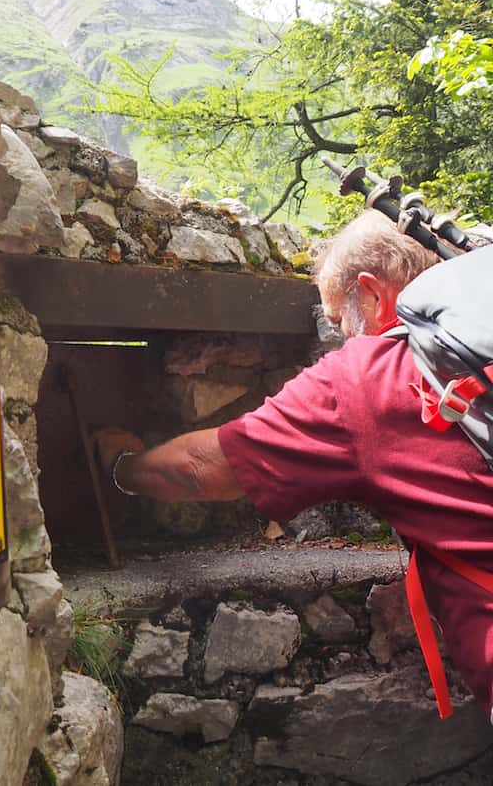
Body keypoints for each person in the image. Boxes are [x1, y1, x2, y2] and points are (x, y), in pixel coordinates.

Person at [95, 211, 493, 723]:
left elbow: (202, 468)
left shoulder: (362, 381)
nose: (345, 336)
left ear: (373, 294)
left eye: (339, 319)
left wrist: (118, 467)